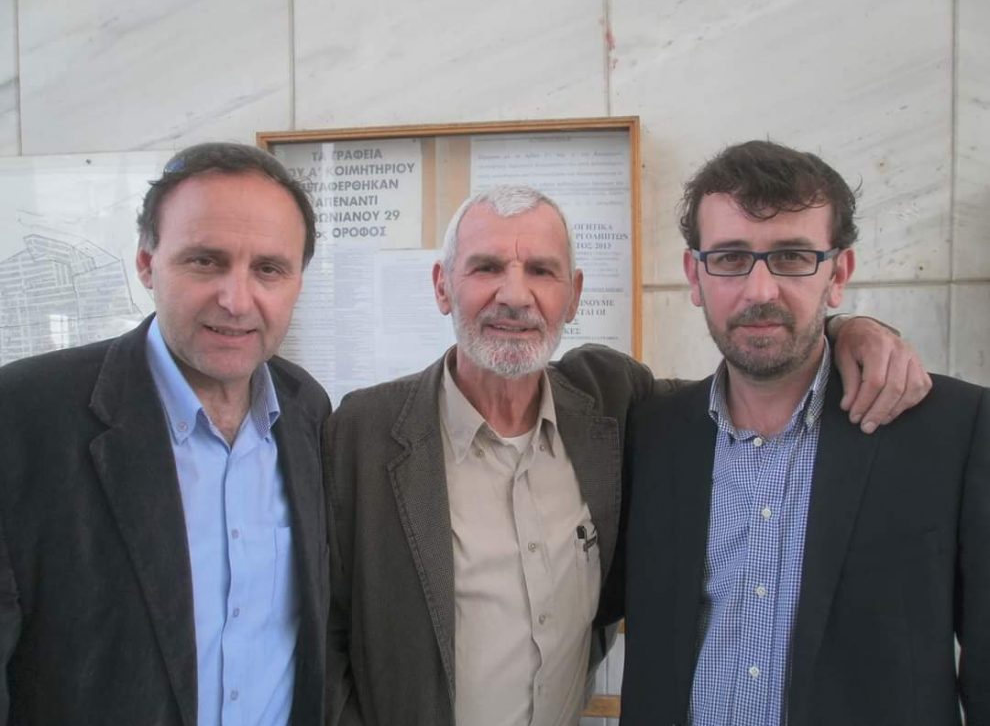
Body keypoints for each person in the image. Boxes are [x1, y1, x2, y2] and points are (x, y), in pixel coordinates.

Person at [323, 184, 929, 726]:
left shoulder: (612, 401)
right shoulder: (365, 430)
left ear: (573, 295)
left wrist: (847, 329)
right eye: (486, 268)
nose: (515, 295)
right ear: (442, 286)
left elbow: (746, 385)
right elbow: (322, 631)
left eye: (542, 271)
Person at [618, 140, 989, 725]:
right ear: (695, 275)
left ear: (838, 274)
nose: (760, 291)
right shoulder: (650, 434)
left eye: (792, 257)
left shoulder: (951, 431)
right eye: (731, 258)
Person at [0, 143, 331, 725]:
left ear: (297, 282)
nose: (236, 300)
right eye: (205, 261)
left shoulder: (307, 410)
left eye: (268, 269)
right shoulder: (23, 414)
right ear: (147, 264)